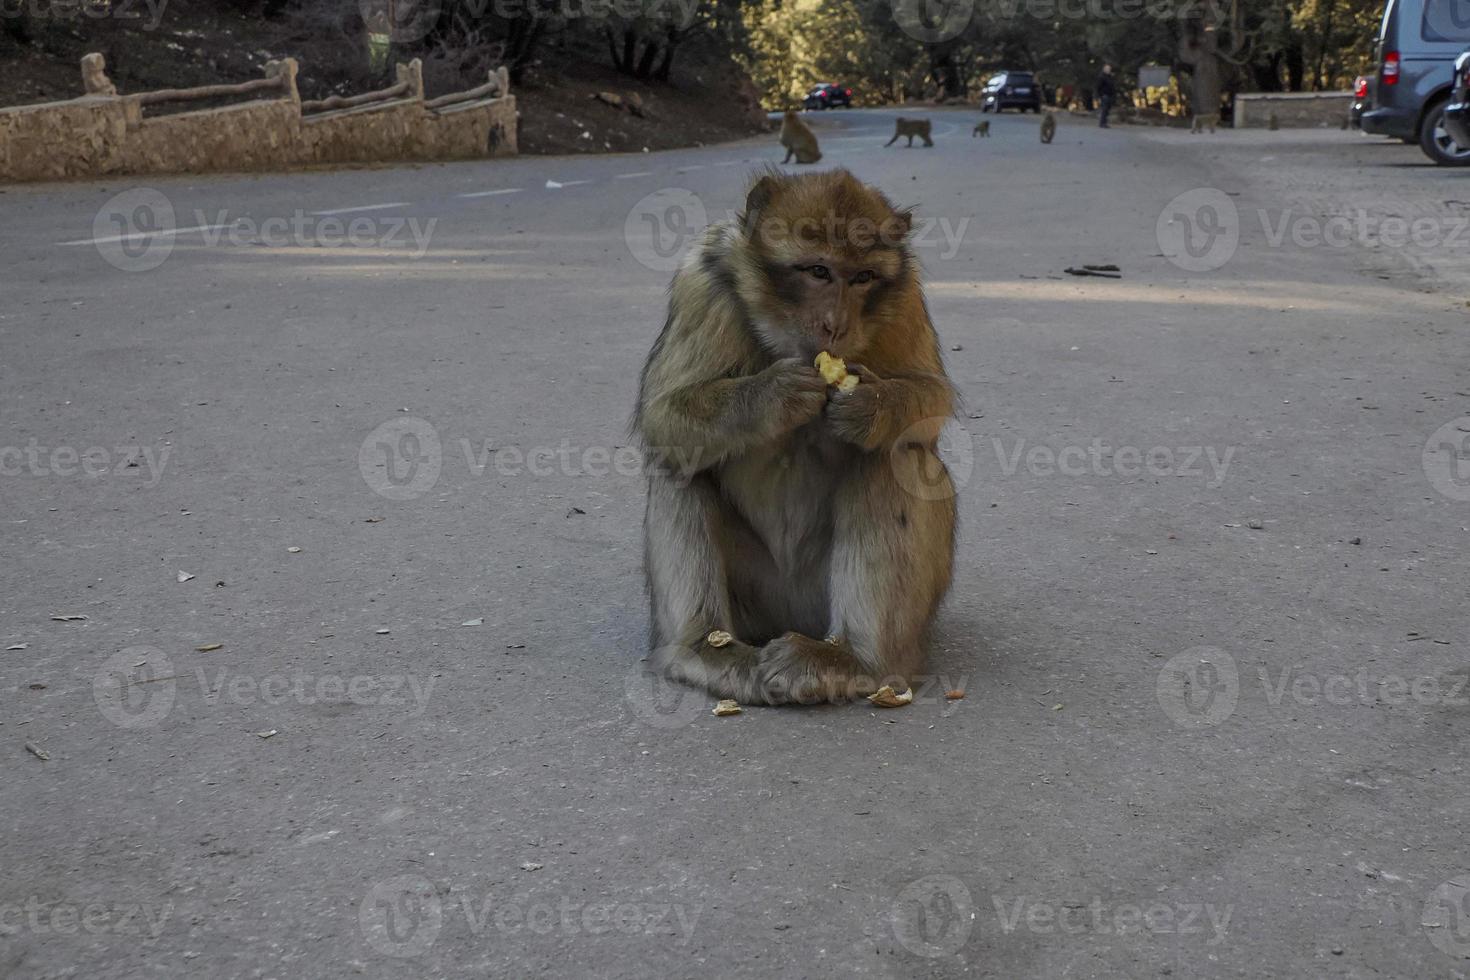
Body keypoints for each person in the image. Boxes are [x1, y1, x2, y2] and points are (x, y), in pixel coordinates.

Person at [1096, 63, 1117, 128]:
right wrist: (1100, 95)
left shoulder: (1110, 77)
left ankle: (1104, 122)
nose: (1108, 70)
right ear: (1104, 69)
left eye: (1109, 69)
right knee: (1104, 109)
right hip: (1104, 95)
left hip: (1110, 95)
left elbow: (1112, 86)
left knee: (1107, 110)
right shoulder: (1101, 77)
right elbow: (1098, 87)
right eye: (1107, 69)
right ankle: (1102, 123)